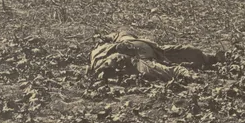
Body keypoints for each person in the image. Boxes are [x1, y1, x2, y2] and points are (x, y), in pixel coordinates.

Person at [89, 29, 225, 82]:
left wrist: (106, 38)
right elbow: (105, 68)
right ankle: (192, 73)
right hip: (141, 56)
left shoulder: (111, 44)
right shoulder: (138, 65)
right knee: (164, 68)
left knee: (187, 51)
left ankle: (210, 58)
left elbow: (121, 32)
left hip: (151, 49)